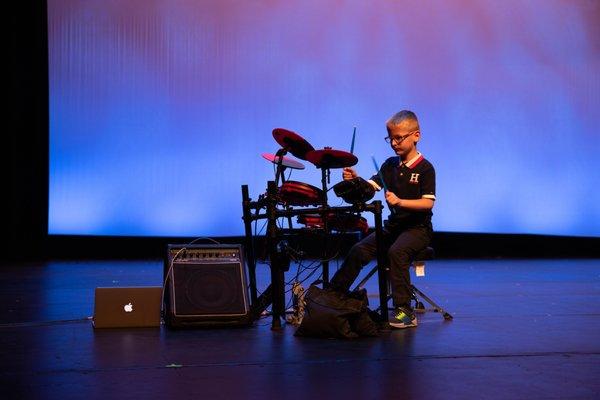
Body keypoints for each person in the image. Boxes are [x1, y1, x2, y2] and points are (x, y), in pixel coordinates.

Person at [330, 110, 436, 329]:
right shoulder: (389, 165)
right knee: (359, 250)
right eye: (391, 138)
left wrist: (400, 201)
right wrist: (355, 180)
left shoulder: (425, 168)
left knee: (396, 252)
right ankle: (333, 296)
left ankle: (405, 312)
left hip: (418, 229)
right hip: (393, 228)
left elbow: (428, 204)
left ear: (416, 135)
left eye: (399, 138)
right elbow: (370, 188)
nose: (394, 143)